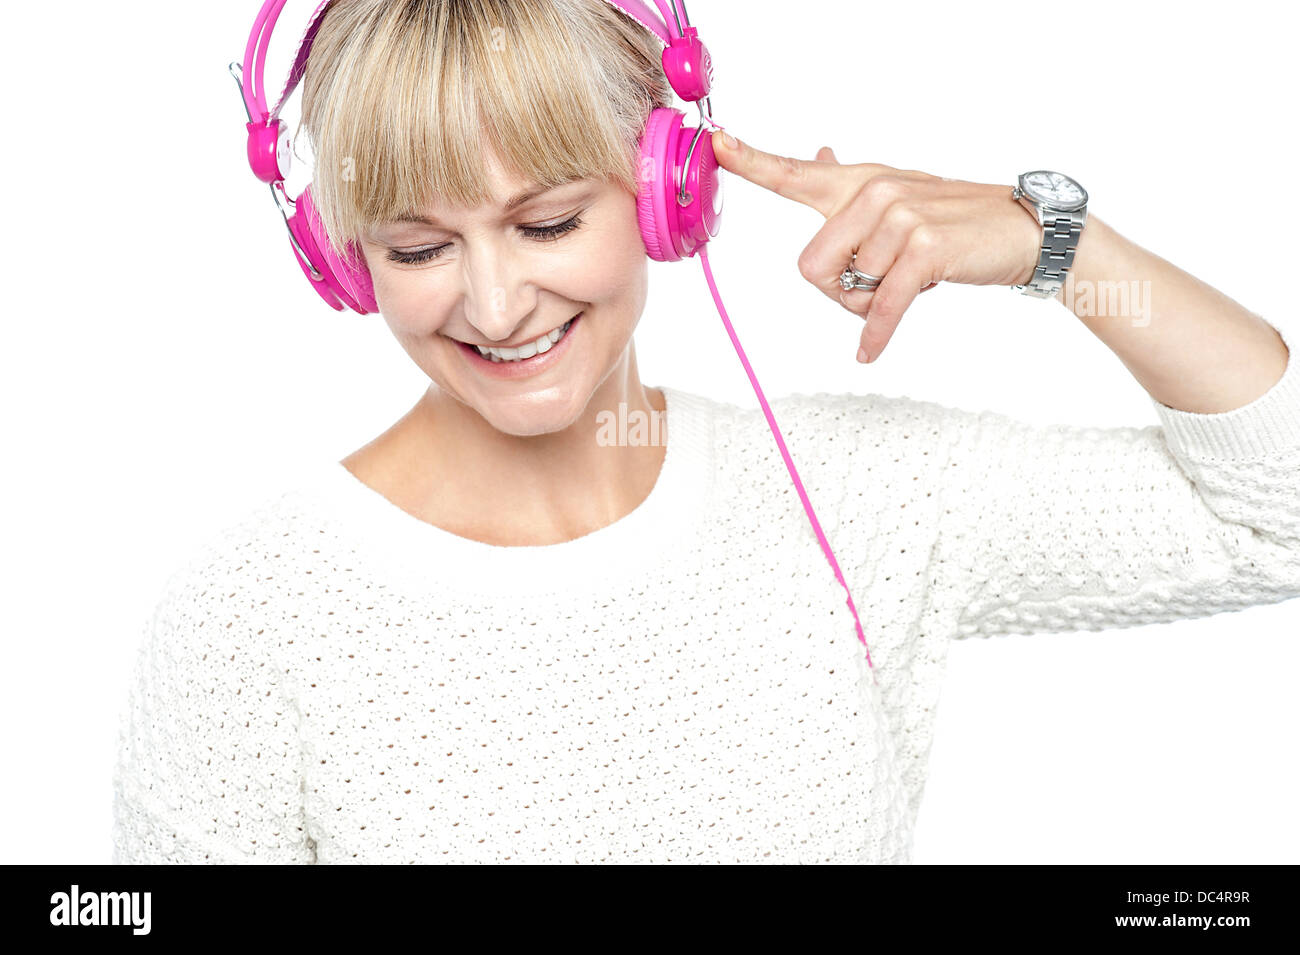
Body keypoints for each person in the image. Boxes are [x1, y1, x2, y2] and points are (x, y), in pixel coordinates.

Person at [111, 0, 1300, 864]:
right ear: (343, 260)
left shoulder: (850, 493)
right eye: (419, 248)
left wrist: (1061, 247)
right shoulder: (248, 620)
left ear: (667, 185)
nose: (492, 302)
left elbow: (1274, 515)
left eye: (547, 222)